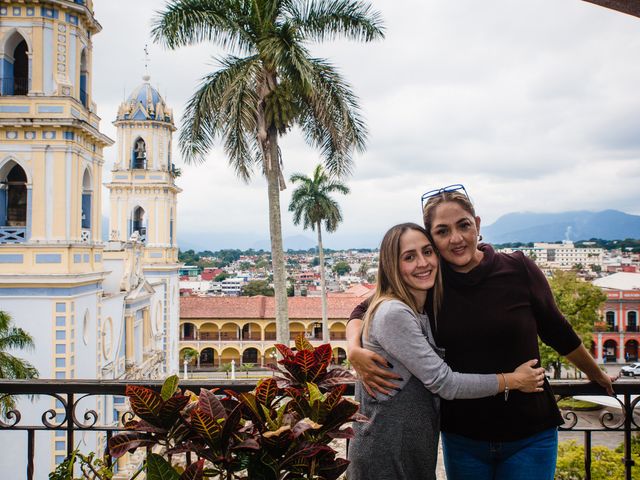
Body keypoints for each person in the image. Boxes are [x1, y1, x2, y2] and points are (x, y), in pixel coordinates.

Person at [347, 186, 615, 480]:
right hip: (464, 436)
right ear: (433, 239)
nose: (456, 238)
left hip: (529, 431)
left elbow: (557, 330)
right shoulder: (431, 279)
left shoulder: (517, 268)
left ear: (477, 224)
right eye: (443, 231)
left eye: (463, 225)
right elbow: (364, 309)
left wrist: (597, 375)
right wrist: (353, 349)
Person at [346, 222, 545, 480]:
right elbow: (444, 383)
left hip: (407, 450)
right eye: (409, 257)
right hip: (386, 454)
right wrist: (514, 380)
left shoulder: (418, 302)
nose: (422, 263)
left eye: (427, 252)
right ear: (392, 266)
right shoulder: (394, 312)